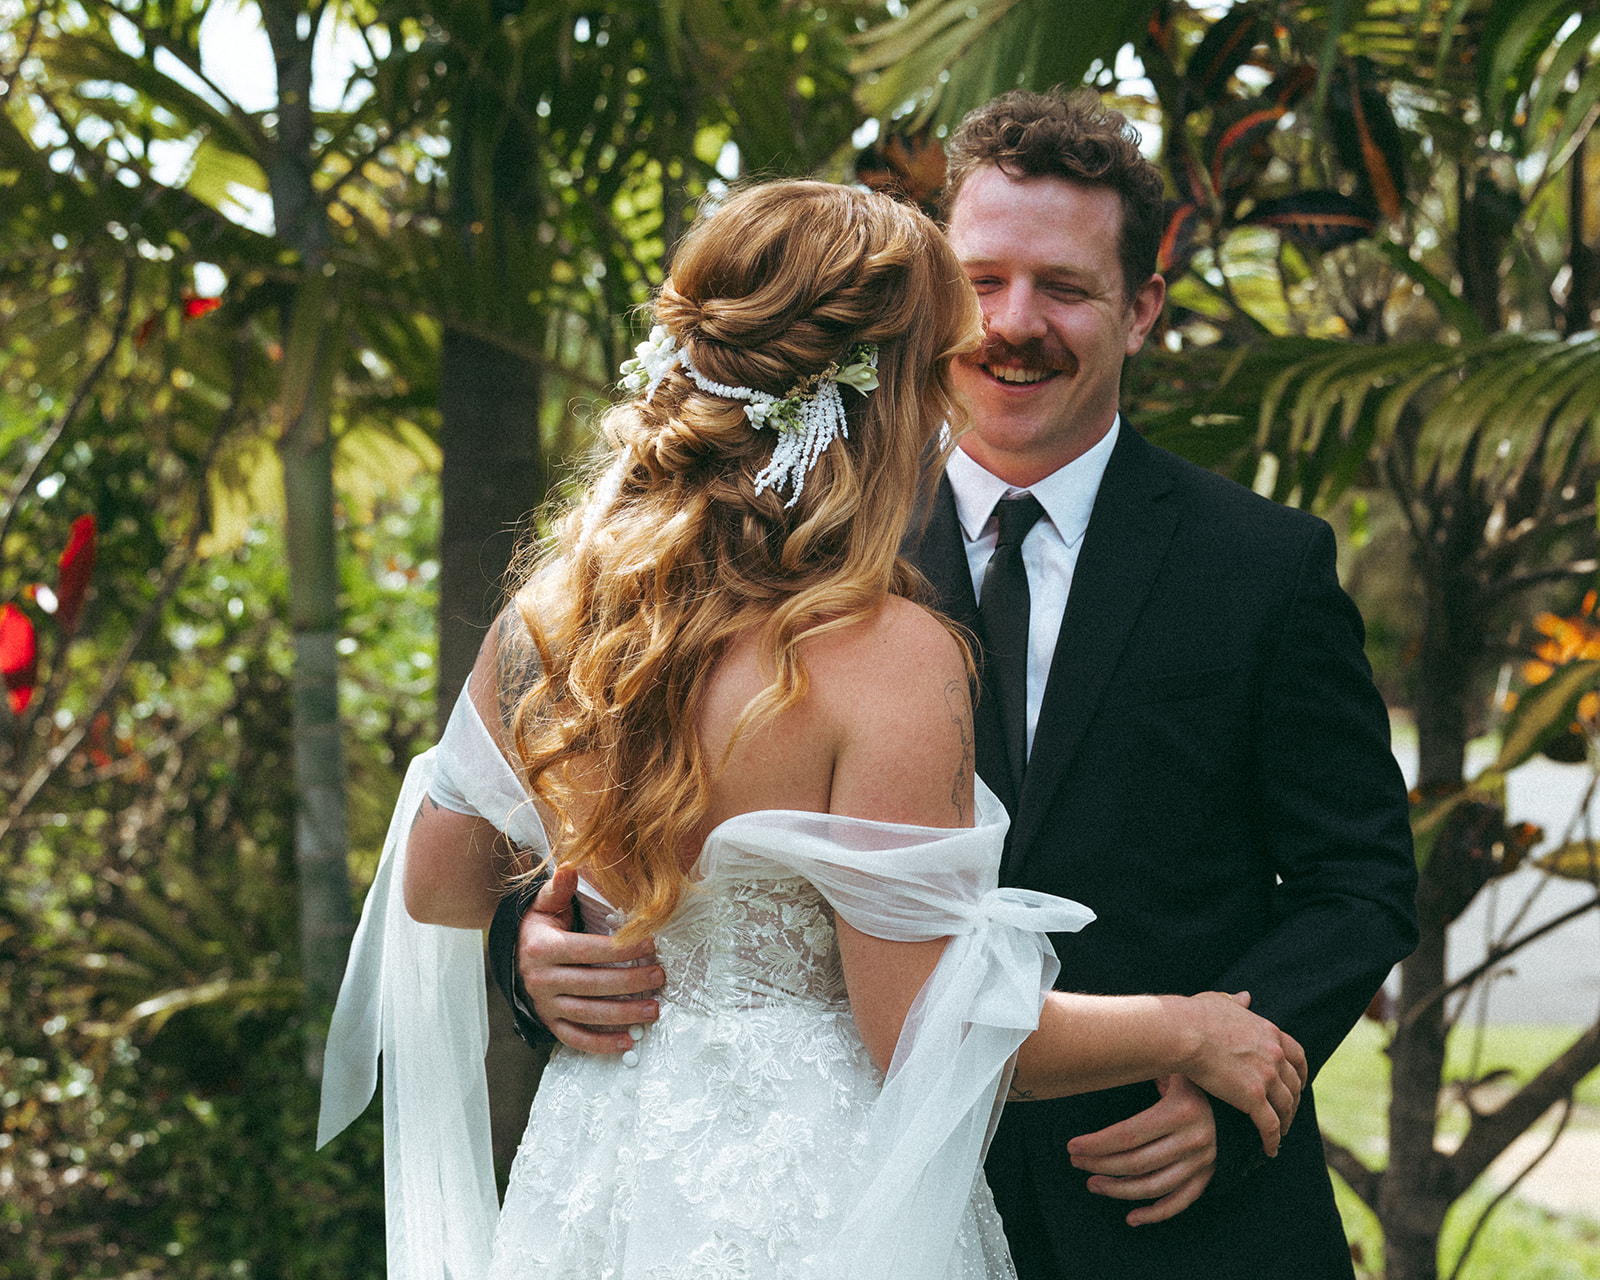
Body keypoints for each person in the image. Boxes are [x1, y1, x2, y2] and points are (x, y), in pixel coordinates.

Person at [492, 93, 1419, 1280]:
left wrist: (1238, 1077)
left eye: (1064, 288)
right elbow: (571, 814)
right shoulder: (773, 553)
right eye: (979, 281)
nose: (1012, 324)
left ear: (1140, 310)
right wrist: (533, 950)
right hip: (855, 1201)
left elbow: (1358, 878)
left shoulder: (1263, 565)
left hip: (1163, 1199)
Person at [318, 178, 1309, 1280]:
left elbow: (436, 883)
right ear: (880, 398)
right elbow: (927, 1032)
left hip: (596, 1182)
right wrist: (1190, 1025)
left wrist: (549, 926)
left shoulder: (554, 617)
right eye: (939, 369)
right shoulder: (886, 655)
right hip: (816, 1211)